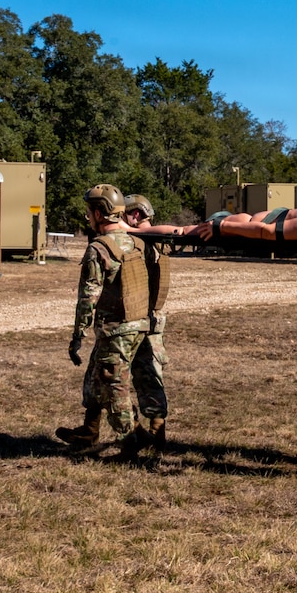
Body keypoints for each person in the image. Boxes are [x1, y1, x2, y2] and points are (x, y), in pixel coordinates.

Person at [56, 184, 151, 455]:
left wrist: (78, 335)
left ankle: (130, 441)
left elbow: (88, 298)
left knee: (113, 383)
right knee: (96, 377)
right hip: (136, 324)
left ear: (100, 213)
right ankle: (90, 430)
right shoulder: (136, 241)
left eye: (89, 212)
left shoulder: (99, 248)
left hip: (116, 328)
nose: (87, 217)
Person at [122, 194, 170, 453]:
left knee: (144, 375)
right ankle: (151, 434)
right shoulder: (156, 241)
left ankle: (150, 434)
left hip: (141, 318)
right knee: (147, 374)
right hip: (144, 318)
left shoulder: (143, 242)